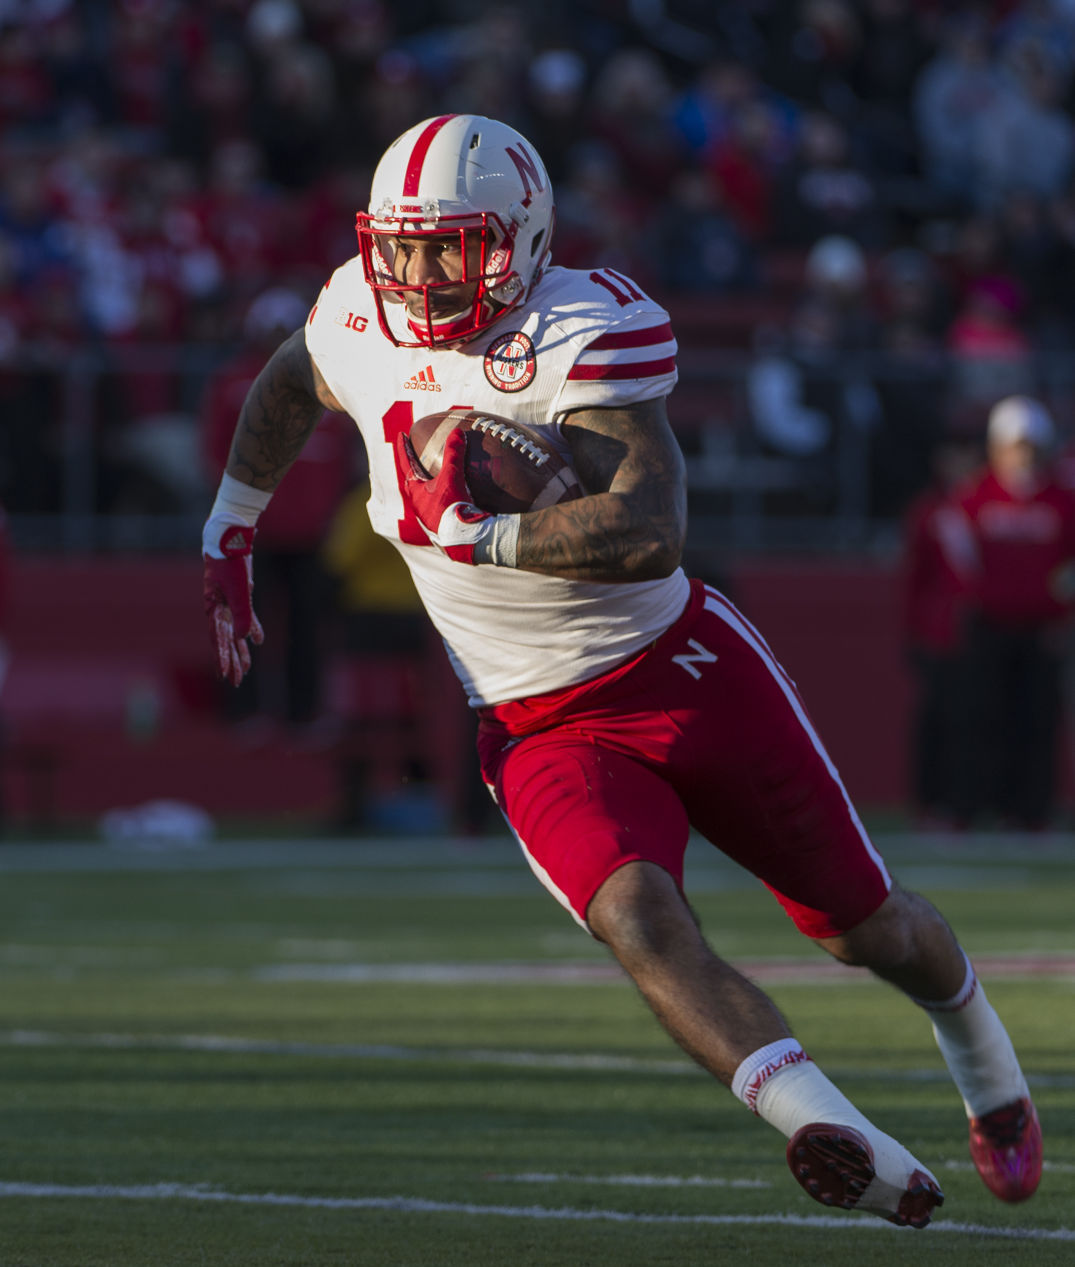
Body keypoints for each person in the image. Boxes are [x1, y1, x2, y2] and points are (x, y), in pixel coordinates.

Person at [201, 114, 1042, 1226]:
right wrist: (231, 521)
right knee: (639, 918)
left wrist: (481, 534)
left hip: (679, 665)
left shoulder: (578, 329)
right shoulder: (355, 308)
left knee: (862, 926)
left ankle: (986, 1068)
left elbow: (651, 528)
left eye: (450, 245)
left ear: (523, 236)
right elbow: (287, 383)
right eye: (402, 244)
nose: (416, 272)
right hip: (535, 721)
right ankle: (830, 1128)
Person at [947, 396, 1075, 829]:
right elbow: (956, 561)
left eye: (1029, 446)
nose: (1022, 456)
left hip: (1042, 630)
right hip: (989, 626)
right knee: (980, 719)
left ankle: (1030, 814)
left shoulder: (1062, 500)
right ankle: (970, 809)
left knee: (1038, 723)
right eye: (1014, 445)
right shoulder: (975, 496)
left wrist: (1063, 613)